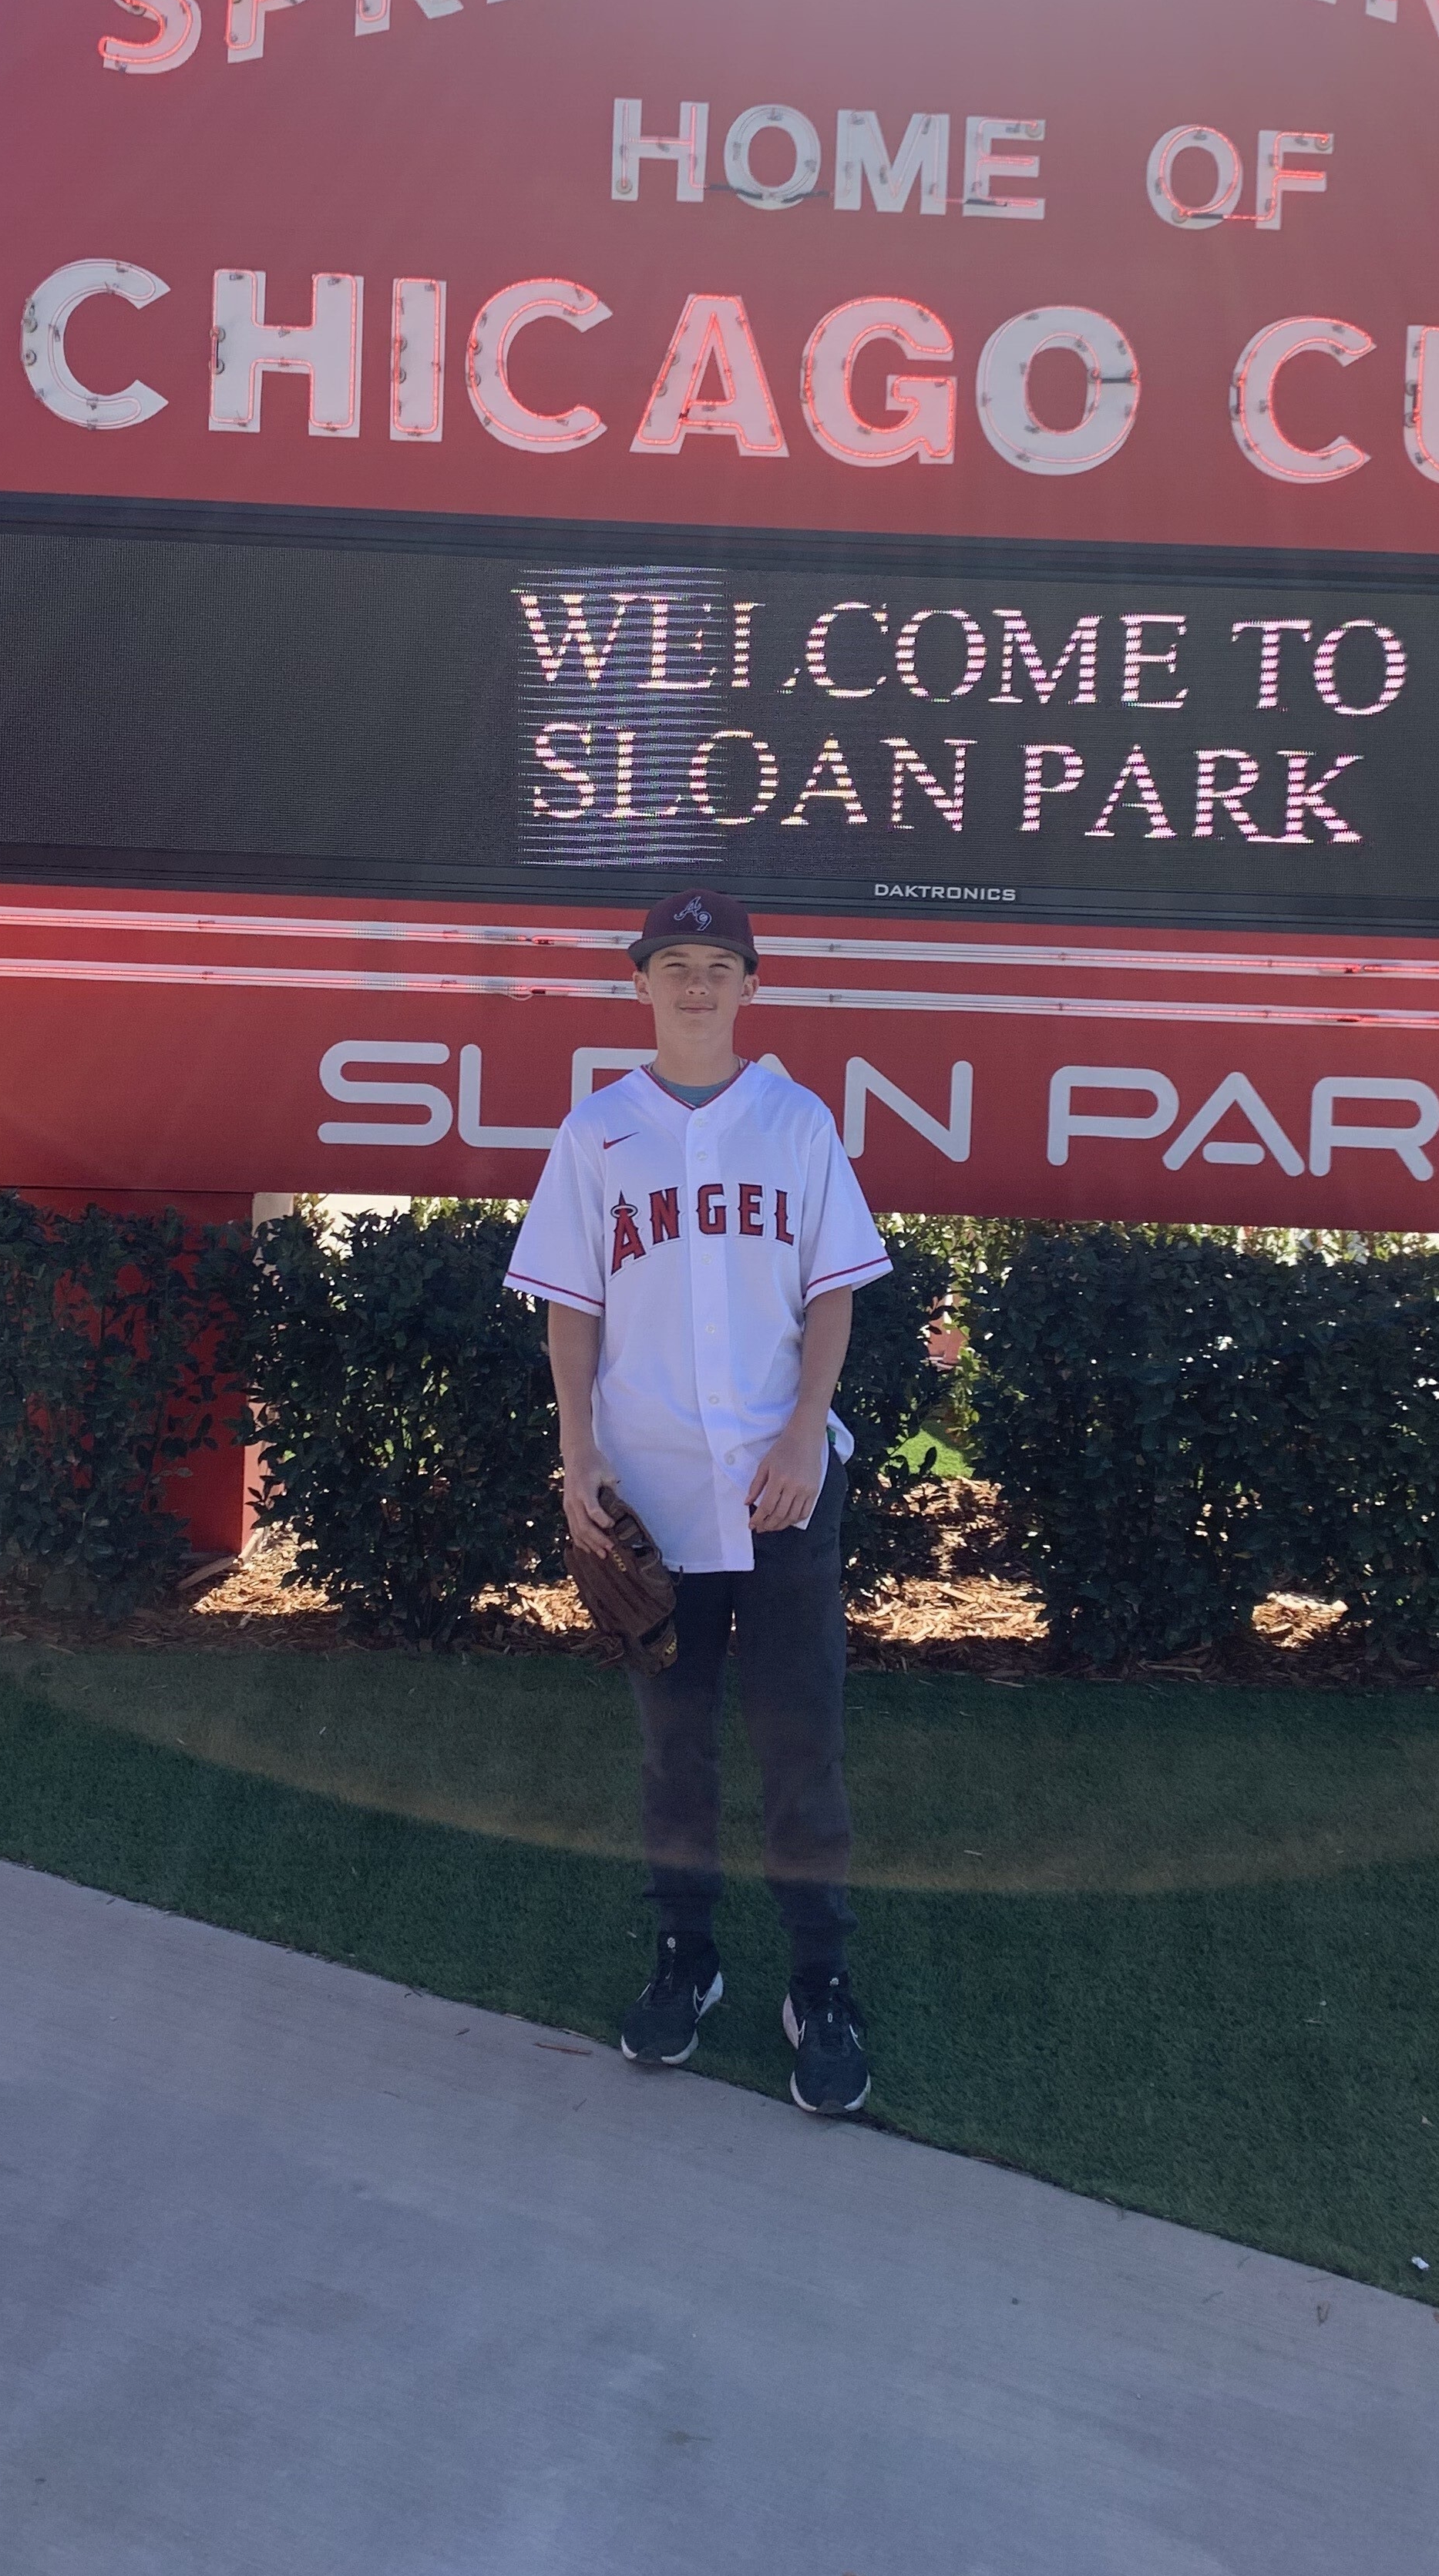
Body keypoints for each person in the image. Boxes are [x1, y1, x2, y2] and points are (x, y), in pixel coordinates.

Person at [503, 889, 892, 2115]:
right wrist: (576, 1452)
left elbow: (833, 1291)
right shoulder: (599, 1130)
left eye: (719, 965)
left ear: (749, 986)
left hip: (783, 1486)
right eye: (675, 964)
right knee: (673, 1750)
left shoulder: (795, 1118)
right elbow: (574, 1303)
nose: (698, 986)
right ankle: (688, 1955)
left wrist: (800, 1434)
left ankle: (818, 1978)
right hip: (653, 1492)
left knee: (800, 1745)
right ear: (641, 985)